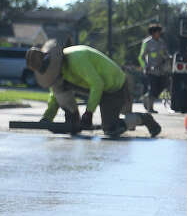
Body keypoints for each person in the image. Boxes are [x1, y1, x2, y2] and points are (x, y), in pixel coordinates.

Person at [25, 40, 161, 137]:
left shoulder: (77, 59)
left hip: (112, 86)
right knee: (58, 86)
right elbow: (56, 94)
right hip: (90, 86)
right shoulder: (57, 74)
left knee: (111, 129)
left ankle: (144, 118)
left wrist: (89, 112)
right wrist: (47, 118)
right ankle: (73, 119)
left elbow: (98, 84)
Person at [139, 23, 170, 112]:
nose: (159, 34)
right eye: (157, 32)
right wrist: (145, 67)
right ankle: (150, 108)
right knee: (152, 88)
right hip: (150, 71)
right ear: (153, 33)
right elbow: (141, 57)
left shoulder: (162, 42)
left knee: (161, 87)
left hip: (161, 71)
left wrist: (167, 60)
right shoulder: (146, 43)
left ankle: (146, 97)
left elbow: (166, 55)